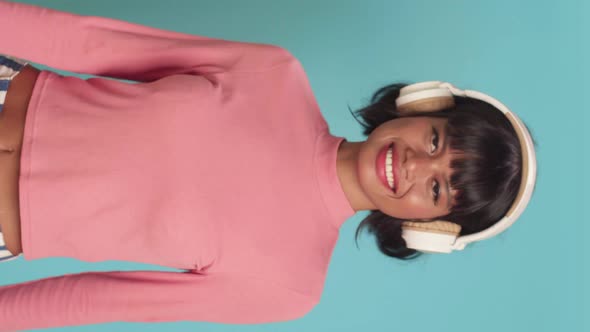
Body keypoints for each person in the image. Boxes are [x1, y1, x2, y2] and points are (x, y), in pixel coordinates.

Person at [0, 1, 537, 330]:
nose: (416, 164)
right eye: (436, 139)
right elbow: (95, 43)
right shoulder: (274, 73)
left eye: (438, 189)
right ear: (421, 106)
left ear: (431, 227)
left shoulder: (287, 288)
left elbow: (99, 300)